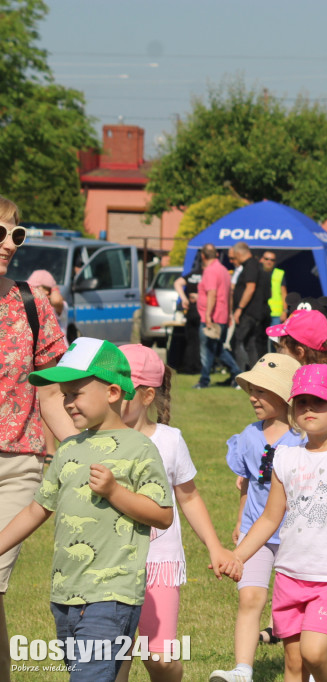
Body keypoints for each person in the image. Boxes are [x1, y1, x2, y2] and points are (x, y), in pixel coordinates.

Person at [1, 339, 174, 681]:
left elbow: (162, 514)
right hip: (65, 596)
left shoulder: (139, 448)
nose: (66, 403)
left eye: (75, 393)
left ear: (112, 392)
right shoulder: (69, 450)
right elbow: (37, 510)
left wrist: (114, 491)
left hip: (111, 595)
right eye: (63, 394)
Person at [224, 364, 327, 682]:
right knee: (294, 663)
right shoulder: (284, 457)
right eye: (301, 401)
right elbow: (270, 517)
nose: (308, 407)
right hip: (289, 575)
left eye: (319, 401)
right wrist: (238, 555)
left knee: (314, 653)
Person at [114, 345, 237, 682]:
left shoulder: (169, 440)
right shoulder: (98, 440)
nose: (108, 396)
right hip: (110, 565)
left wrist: (215, 546)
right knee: (113, 657)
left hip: (159, 565)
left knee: (160, 658)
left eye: (118, 389)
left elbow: (190, 497)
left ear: (147, 395)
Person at [0, 196, 74, 681]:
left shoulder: (33, 305)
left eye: (15, 233)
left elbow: (51, 396)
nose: (9, 243)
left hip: (17, 466)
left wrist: (83, 449)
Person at [211, 353, 304, 682]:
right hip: (257, 532)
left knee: (294, 604)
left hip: (296, 535)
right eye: (252, 389)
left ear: (285, 395)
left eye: (262, 391)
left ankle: (305, 668)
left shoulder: (304, 439)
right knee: (250, 597)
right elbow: (248, 485)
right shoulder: (248, 436)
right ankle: (243, 670)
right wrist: (240, 522)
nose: (253, 396)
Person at [194, 244, 242, 389]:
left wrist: (208, 315)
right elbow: (228, 295)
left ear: (203, 256)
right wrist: (228, 314)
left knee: (208, 350)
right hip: (222, 315)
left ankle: (205, 380)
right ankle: (235, 375)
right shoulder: (224, 270)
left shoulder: (210, 271)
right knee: (218, 349)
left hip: (212, 318)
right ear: (216, 255)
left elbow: (212, 293)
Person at [230, 242, 271, 373]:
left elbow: (250, 288)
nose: (233, 260)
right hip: (255, 312)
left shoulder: (250, 266)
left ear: (239, 253)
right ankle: (254, 374)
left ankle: (238, 374)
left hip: (249, 313)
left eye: (233, 257)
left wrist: (239, 309)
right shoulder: (255, 265)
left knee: (238, 342)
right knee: (250, 344)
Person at [260, 251, 288, 327]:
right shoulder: (257, 272)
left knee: (274, 338)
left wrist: (285, 311)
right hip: (260, 311)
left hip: (276, 313)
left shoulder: (279, 273)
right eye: (267, 259)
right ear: (262, 259)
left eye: (272, 260)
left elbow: (284, 293)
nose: (269, 262)